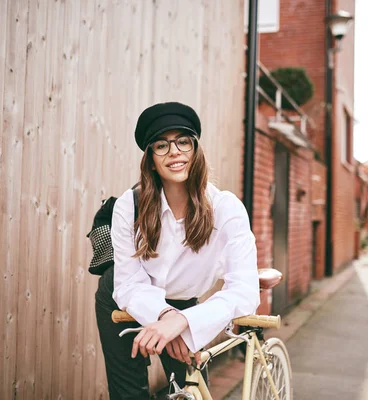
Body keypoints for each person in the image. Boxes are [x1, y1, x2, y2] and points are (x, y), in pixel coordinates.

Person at [94, 102, 260, 399]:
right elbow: (129, 283)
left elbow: (244, 292)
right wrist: (164, 316)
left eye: (183, 141)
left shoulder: (226, 208)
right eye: (161, 145)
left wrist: (180, 322)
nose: (174, 151)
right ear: (150, 159)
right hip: (124, 300)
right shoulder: (128, 206)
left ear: (195, 150)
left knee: (193, 391)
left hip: (186, 305)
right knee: (129, 395)